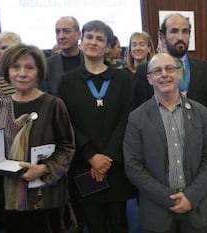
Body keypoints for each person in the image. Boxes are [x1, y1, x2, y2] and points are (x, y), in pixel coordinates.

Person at [132, 13, 207, 233]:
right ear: (162, 36)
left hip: (197, 163)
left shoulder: (204, 69)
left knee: (203, 220)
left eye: (185, 31)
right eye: (174, 31)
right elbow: (136, 115)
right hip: (159, 169)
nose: (180, 36)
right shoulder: (147, 71)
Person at [0, 43, 76, 233]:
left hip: (46, 195)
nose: (22, 73)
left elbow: (67, 147)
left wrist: (45, 168)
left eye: (29, 67)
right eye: (15, 67)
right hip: (10, 195)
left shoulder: (53, 104)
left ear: (38, 72)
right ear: (7, 71)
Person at [57, 20, 136, 233]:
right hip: (85, 166)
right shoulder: (67, 81)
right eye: (89, 37)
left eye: (100, 39)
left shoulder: (123, 79)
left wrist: (106, 158)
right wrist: (91, 156)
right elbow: (66, 122)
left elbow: (128, 118)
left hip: (115, 164)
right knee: (94, 223)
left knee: (119, 222)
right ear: (81, 41)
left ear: (108, 47)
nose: (93, 42)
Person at [43, 16, 83, 96]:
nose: (61, 36)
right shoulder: (47, 66)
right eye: (58, 32)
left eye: (66, 31)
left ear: (79, 35)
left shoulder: (91, 61)